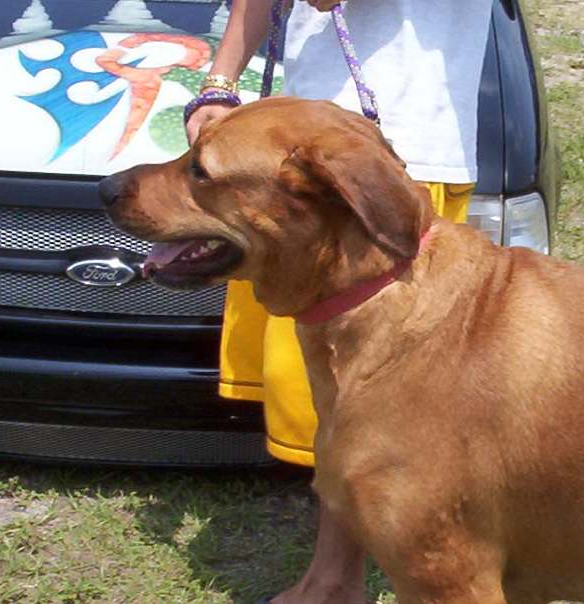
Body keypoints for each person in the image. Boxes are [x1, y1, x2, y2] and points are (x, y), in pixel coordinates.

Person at [185, 1, 494, 602]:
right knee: (335, 394)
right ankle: (334, 579)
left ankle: (358, 579)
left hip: (397, 151)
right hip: (284, 151)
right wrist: (219, 83)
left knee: (383, 404)